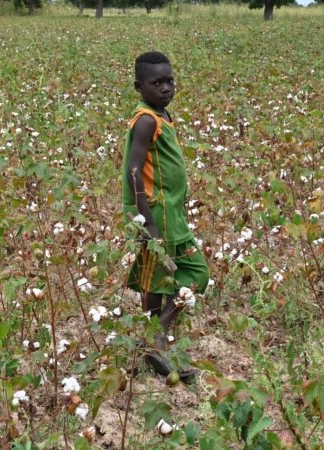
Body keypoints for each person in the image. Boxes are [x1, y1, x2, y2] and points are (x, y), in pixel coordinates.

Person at [120, 51, 210, 382]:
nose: (166, 87)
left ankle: (152, 343)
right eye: (156, 83)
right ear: (138, 86)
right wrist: (148, 222)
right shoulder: (146, 120)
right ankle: (154, 342)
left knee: (169, 278)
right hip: (157, 212)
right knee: (167, 278)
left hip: (170, 211)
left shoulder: (162, 115)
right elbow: (133, 170)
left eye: (169, 80)